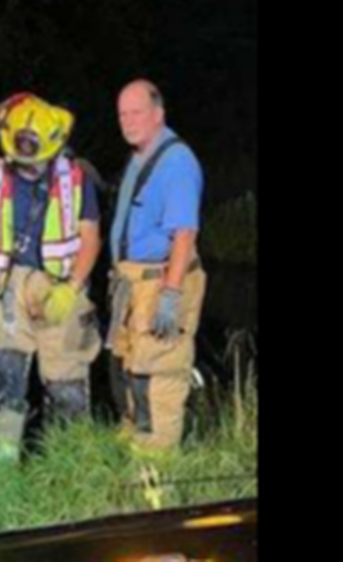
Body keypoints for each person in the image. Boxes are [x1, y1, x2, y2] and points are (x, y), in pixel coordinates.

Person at [0, 92, 103, 460]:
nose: (28, 166)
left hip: (59, 285)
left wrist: (72, 288)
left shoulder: (75, 179)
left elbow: (91, 237)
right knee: (4, 379)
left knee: (66, 385)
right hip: (7, 289)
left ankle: (72, 465)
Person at [105, 79, 207, 451]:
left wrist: (170, 294)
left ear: (158, 114)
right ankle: (133, 445)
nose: (128, 121)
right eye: (122, 114)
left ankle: (157, 463)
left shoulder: (176, 162)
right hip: (132, 284)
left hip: (160, 280)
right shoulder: (139, 156)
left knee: (158, 372)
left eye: (137, 112)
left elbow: (185, 233)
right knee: (128, 364)